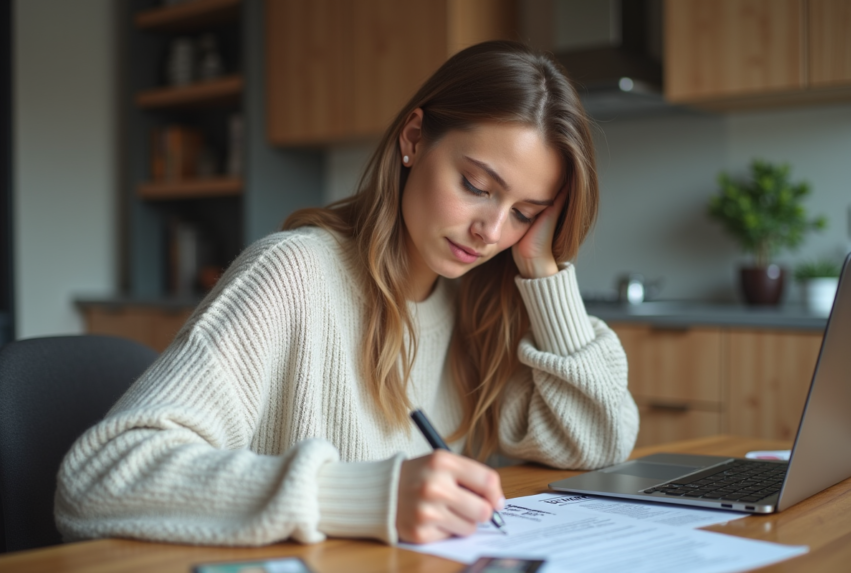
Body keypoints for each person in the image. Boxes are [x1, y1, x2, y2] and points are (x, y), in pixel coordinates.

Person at [55, 40, 638, 547]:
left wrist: (542, 270)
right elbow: (99, 479)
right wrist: (365, 497)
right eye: (476, 186)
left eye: (525, 214)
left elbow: (598, 444)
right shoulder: (292, 275)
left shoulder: (482, 304)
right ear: (414, 138)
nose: (492, 232)